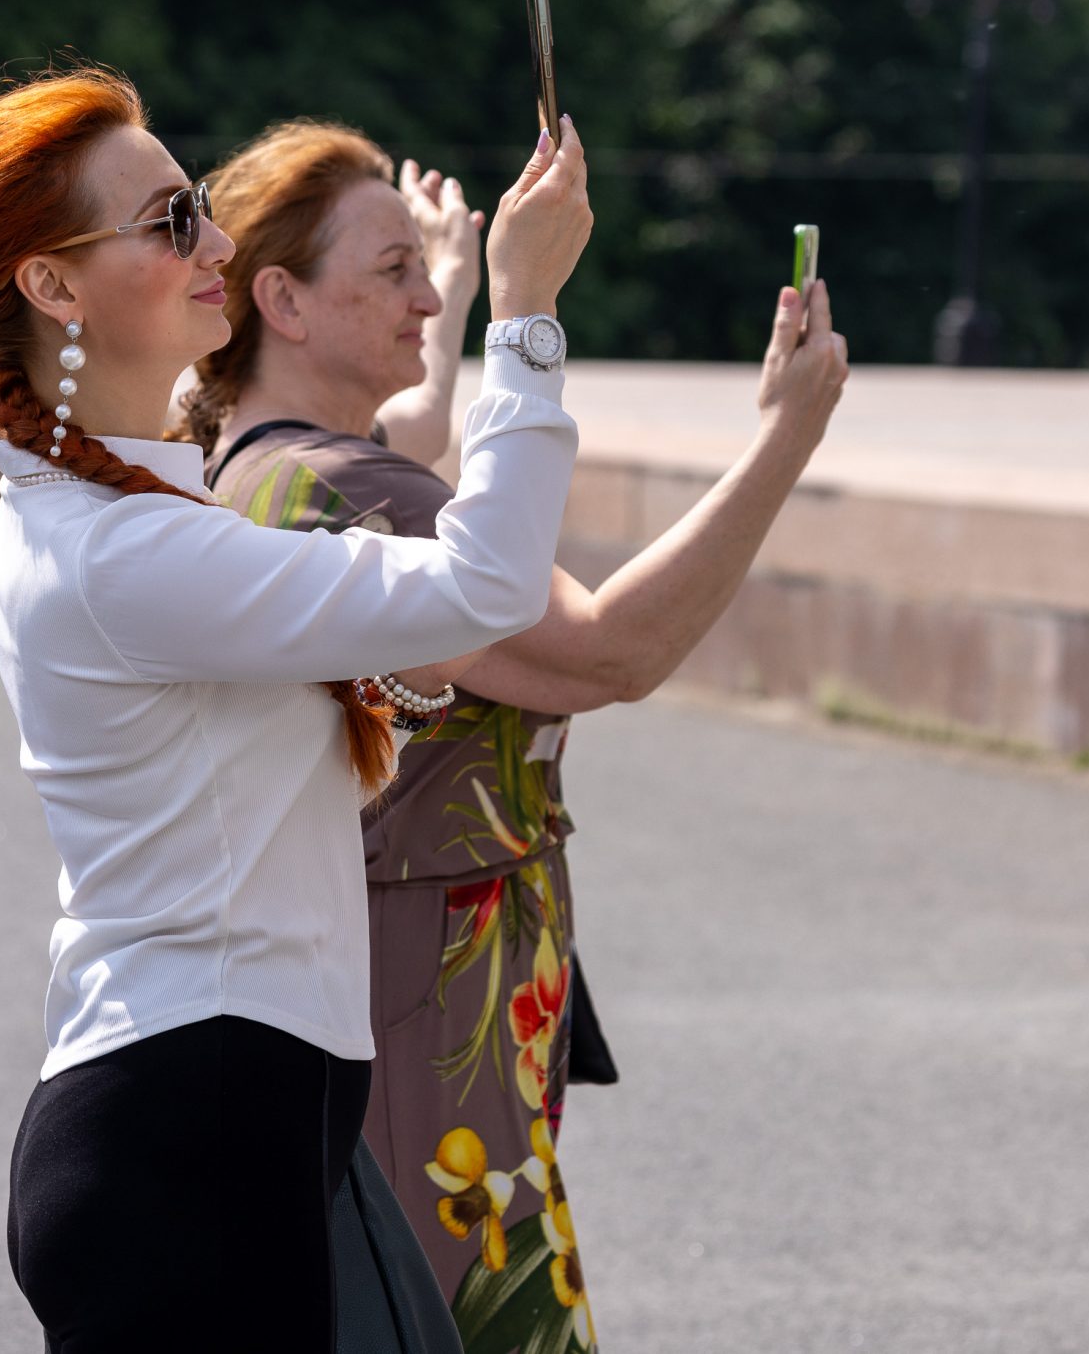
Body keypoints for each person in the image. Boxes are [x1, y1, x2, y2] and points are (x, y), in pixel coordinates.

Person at [0, 67, 593, 1352]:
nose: (216, 244)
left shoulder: (119, 512)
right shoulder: (120, 548)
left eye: (200, 203)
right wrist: (528, 311)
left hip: (212, 1113)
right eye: (171, 222)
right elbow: (488, 586)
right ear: (51, 285)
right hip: (186, 1131)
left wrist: (387, 680)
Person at [182, 121, 850, 1351]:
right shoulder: (349, 492)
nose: (429, 298)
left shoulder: (261, 466)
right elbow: (608, 652)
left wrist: (447, 272)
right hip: (424, 992)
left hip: (380, 969)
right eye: (393, 272)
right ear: (280, 299)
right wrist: (785, 436)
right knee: (466, 1320)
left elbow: (423, 427)